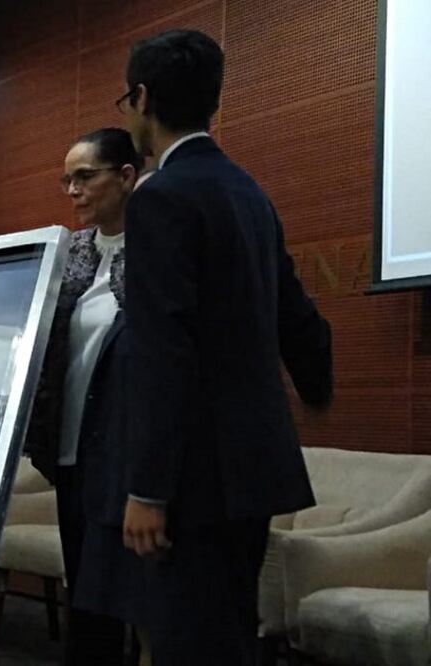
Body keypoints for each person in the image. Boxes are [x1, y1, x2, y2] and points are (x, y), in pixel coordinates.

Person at [110, 30, 333, 665]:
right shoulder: (249, 191)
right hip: (255, 469)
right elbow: (298, 316)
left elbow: (163, 351)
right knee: (231, 637)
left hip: (192, 479)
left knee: (188, 643)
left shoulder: (159, 198)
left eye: (126, 100)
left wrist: (149, 488)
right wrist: (314, 386)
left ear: (144, 98)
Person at [24, 128, 142, 665]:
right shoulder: (68, 252)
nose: (72, 190)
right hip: (68, 450)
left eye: (85, 177)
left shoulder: (154, 252)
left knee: (115, 599)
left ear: (125, 176)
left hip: (121, 453)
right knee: (86, 597)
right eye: (66, 180)